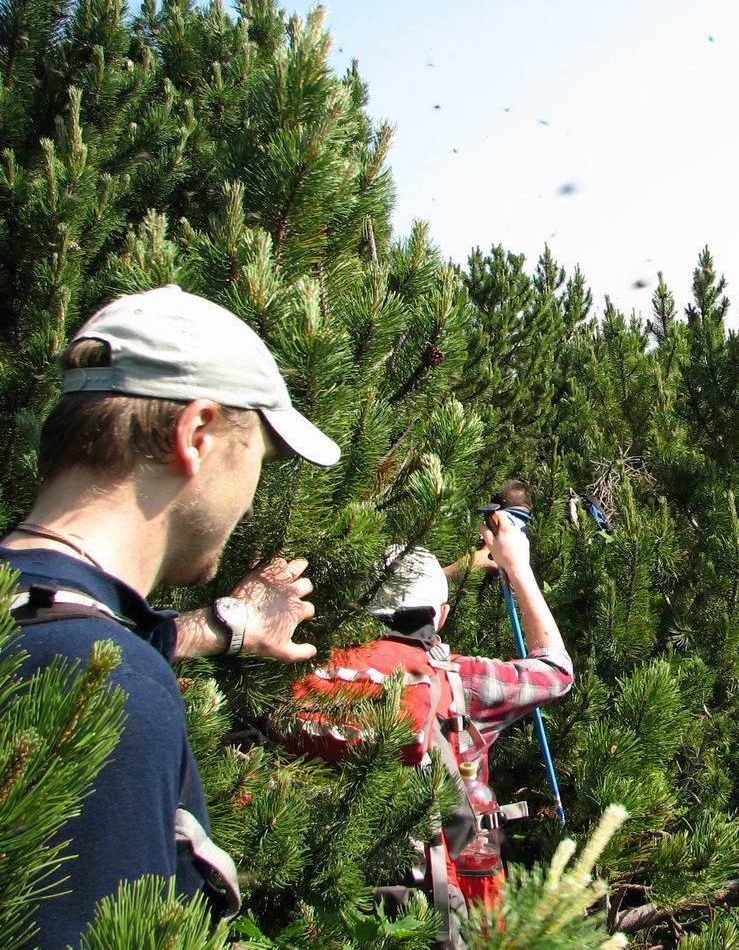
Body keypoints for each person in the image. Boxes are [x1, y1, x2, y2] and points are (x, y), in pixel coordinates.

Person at [0, 284, 340, 949]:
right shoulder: (111, 694)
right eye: (259, 463)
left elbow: (79, 627)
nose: (250, 503)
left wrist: (223, 626)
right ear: (197, 433)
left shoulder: (34, 609)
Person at [287, 509, 572, 943]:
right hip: (436, 906)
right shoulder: (459, 681)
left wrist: (459, 567)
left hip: (320, 905)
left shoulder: (313, 670)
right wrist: (518, 567)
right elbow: (556, 670)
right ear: (440, 617)